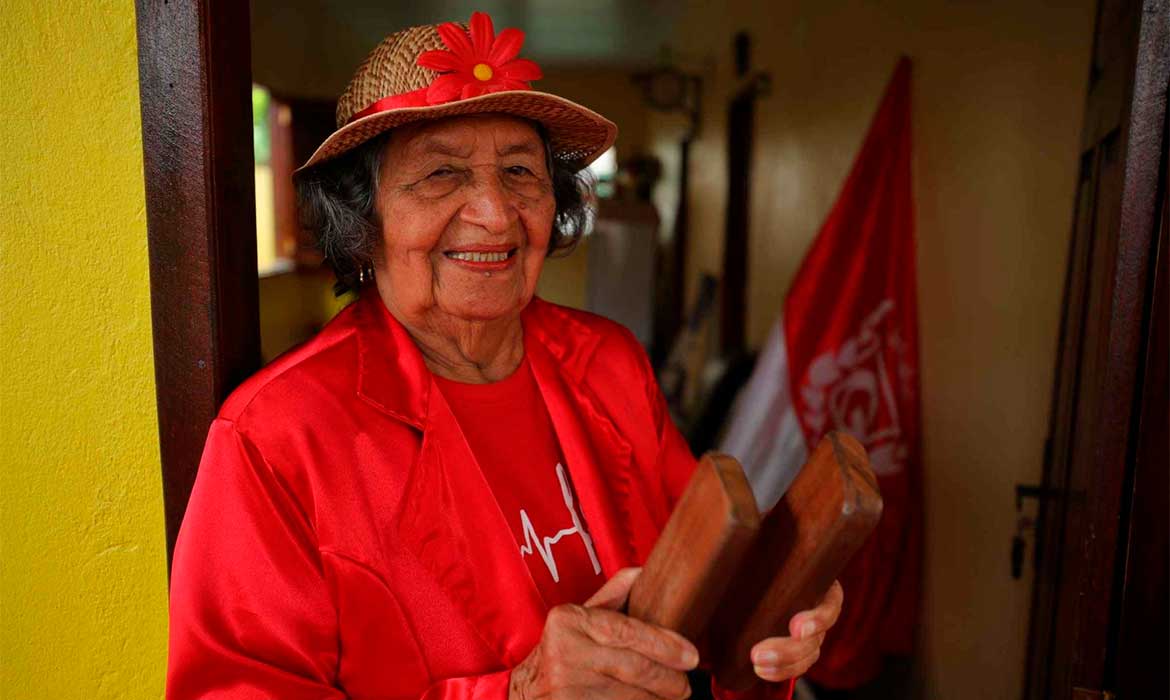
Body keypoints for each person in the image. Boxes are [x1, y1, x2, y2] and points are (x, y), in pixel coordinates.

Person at [167, 11, 842, 700]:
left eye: (520, 171)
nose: (495, 213)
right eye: (441, 173)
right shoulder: (277, 437)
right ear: (364, 218)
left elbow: (700, 573)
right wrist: (519, 692)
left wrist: (771, 609)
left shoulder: (608, 362)